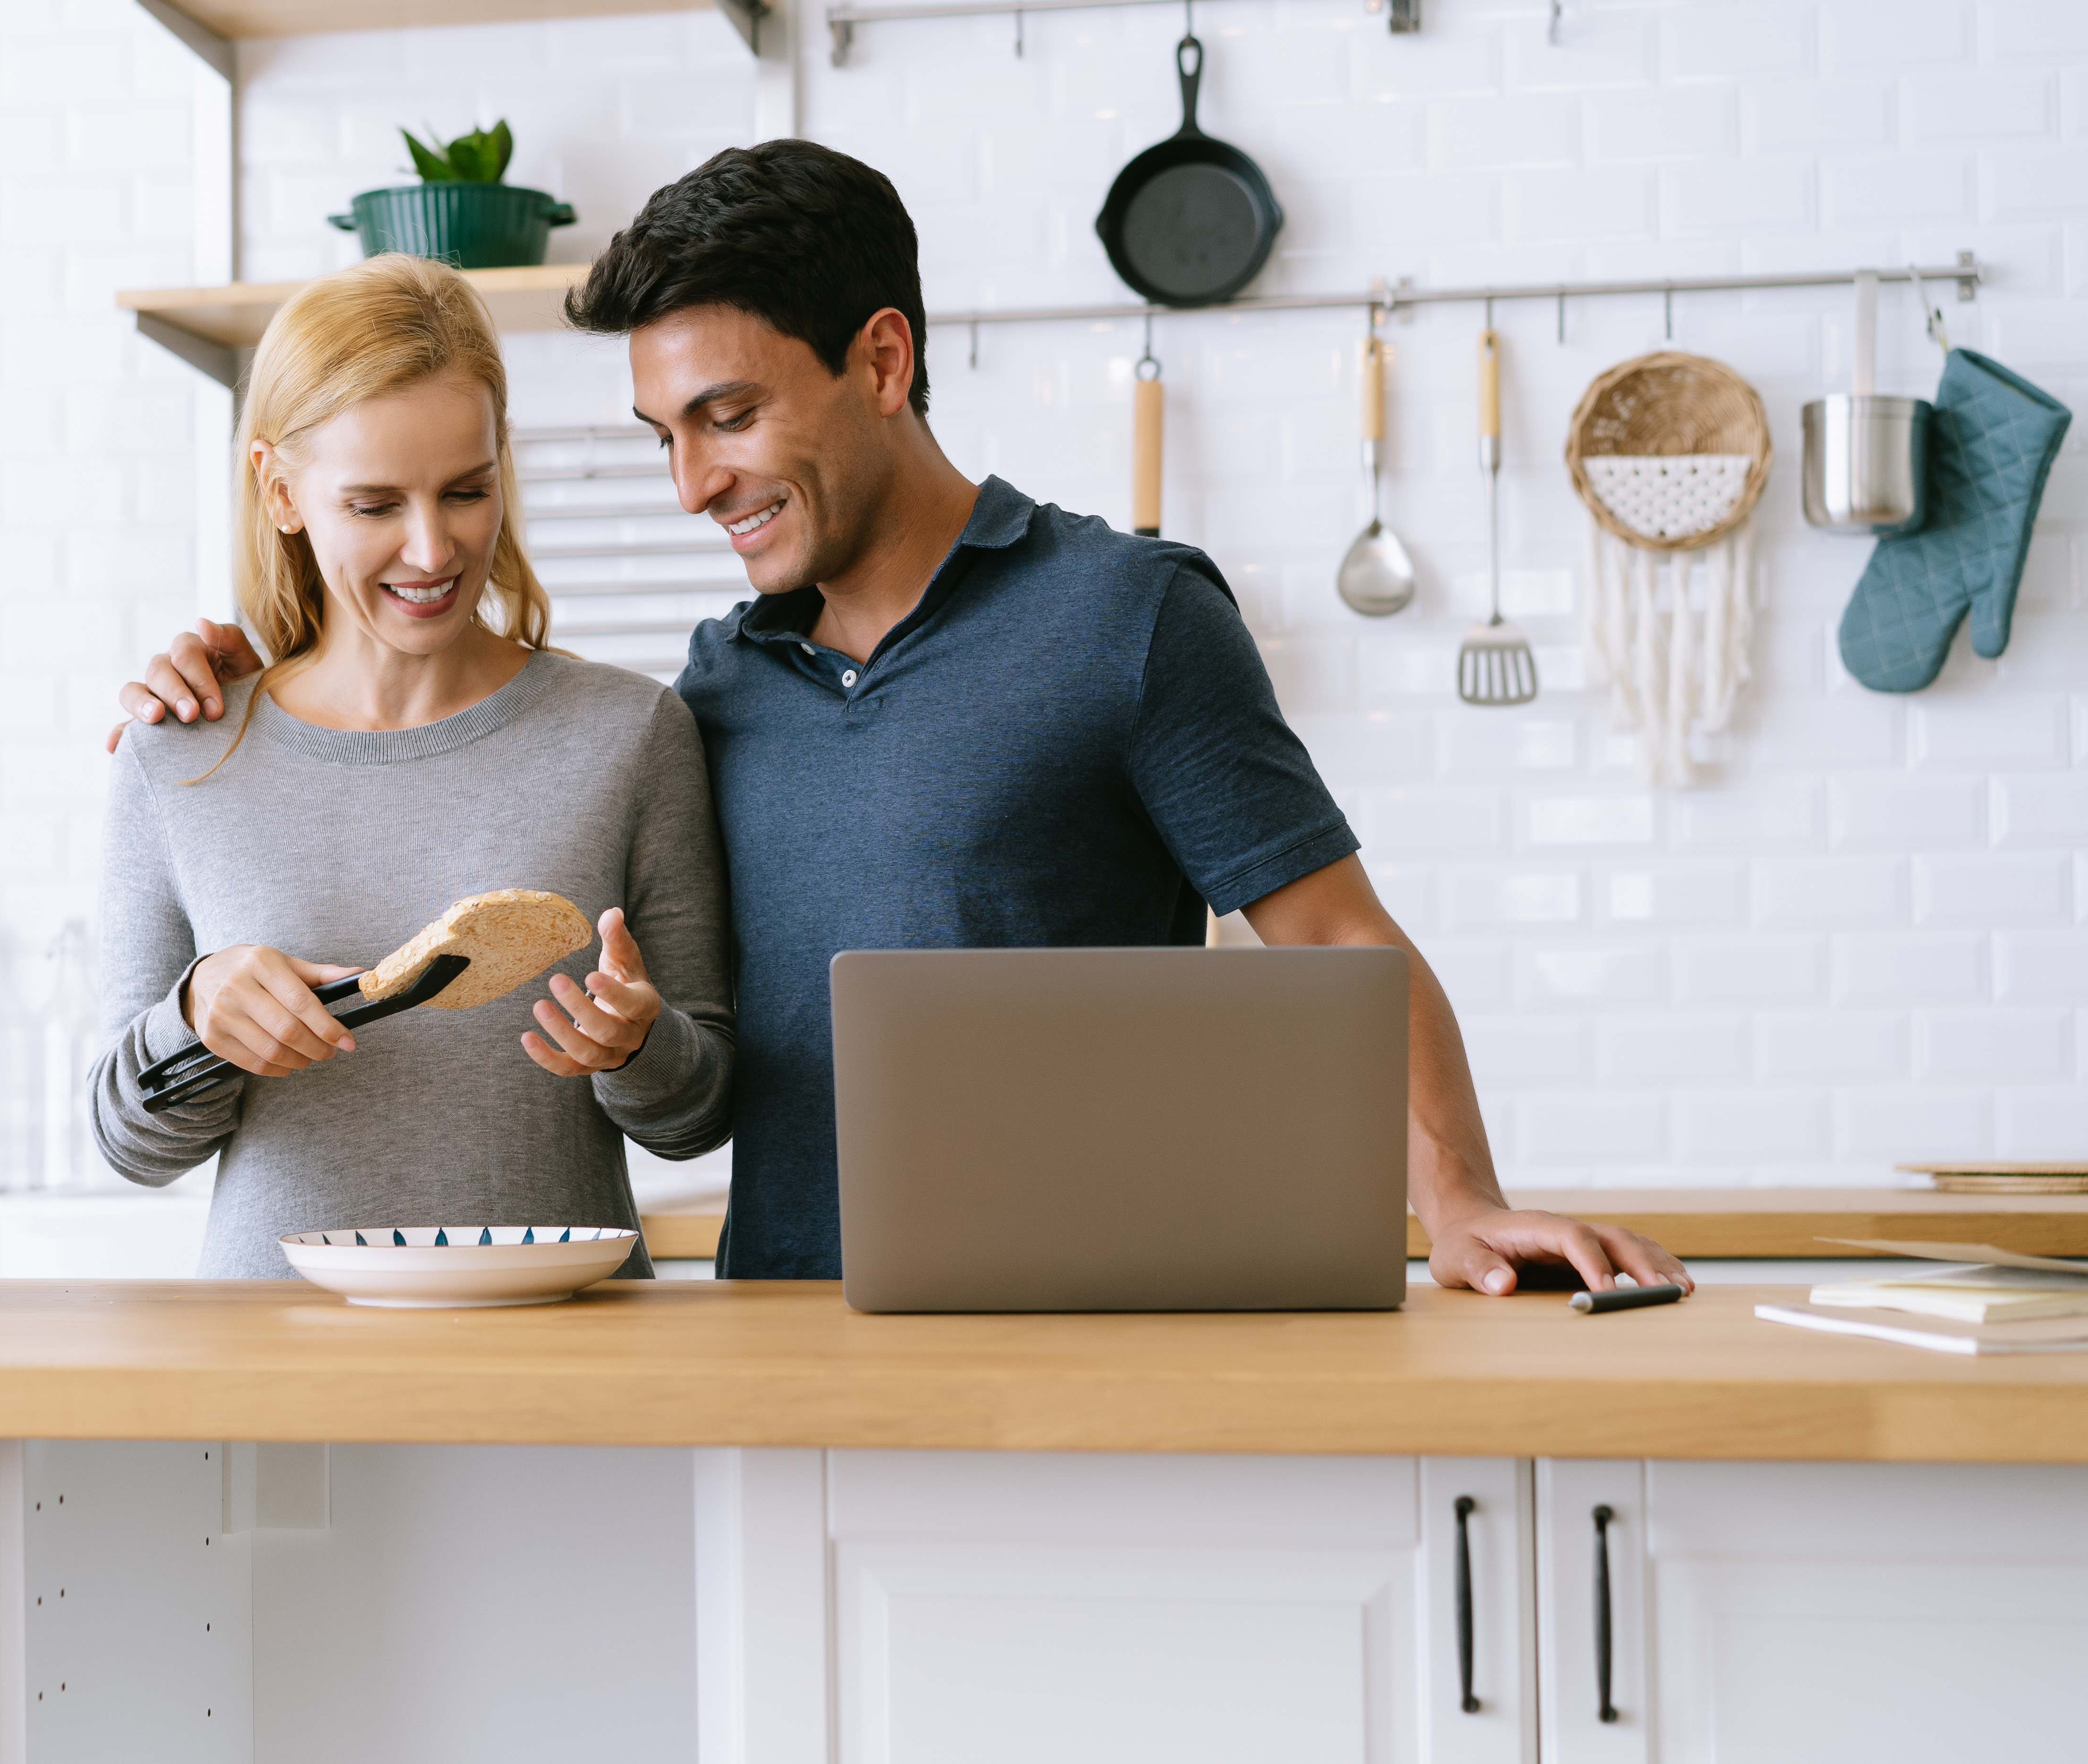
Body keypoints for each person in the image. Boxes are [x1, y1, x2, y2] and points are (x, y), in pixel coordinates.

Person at [115, 143, 1688, 1299]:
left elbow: (1335, 932)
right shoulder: (716, 685)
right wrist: (236, 660)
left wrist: (1459, 1195)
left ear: (882, 359)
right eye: (665, 433)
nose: (694, 483)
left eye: (729, 417)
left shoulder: (1128, 616)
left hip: (1102, 1327)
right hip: (785, 1321)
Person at [92, 253, 732, 1279]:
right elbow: (129, 1143)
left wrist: (638, 1047)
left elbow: (700, 1114)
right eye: (376, 504)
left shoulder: (630, 734)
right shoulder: (184, 754)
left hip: (568, 1373)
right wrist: (197, 1014)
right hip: (278, 1375)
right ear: (281, 490)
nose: (434, 549)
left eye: (467, 491)